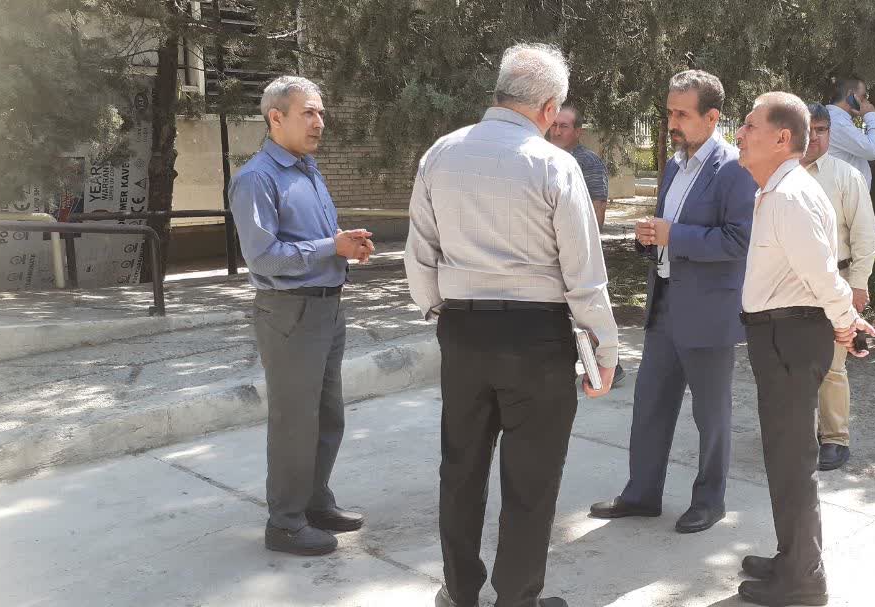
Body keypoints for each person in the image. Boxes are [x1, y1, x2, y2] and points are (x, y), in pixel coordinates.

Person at [405, 43, 617, 607]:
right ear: (549, 108)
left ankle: (460, 592)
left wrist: (440, 314)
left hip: (464, 332)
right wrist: (604, 351)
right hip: (536, 339)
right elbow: (584, 274)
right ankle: (517, 597)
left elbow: (419, 255)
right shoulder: (555, 165)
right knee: (531, 479)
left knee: (461, 469)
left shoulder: (440, 154)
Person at [587, 70, 757, 535]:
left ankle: (709, 501)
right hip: (664, 307)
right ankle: (642, 495)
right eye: (669, 113)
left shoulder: (734, 169)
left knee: (710, 416)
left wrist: (673, 235)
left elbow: (739, 241)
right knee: (649, 407)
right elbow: (668, 233)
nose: (672, 123)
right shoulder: (674, 166)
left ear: (712, 117)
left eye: (682, 114)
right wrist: (649, 238)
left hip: (709, 314)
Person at [733, 91, 875, 606]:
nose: (740, 134)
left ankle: (803, 581)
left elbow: (821, 273)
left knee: (792, 462)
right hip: (782, 334)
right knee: (783, 458)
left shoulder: (790, 195)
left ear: (781, 138)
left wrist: (847, 322)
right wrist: (843, 319)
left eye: (749, 126)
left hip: (789, 337)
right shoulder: (780, 189)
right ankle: (792, 558)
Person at [228, 75, 375, 557]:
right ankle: (286, 523)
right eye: (308, 112)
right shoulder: (257, 178)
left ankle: (314, 502)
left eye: (321, 113)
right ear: (276, 117)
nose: (319, 122)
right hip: (290, 313)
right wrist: (330, 247)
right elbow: (264, 257)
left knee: (328, 416)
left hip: (327, 308)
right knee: (295, 421)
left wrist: (346, 244)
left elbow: (318, 238)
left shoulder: (308, 170)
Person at [803, 103, 875, 471]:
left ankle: (835, 438)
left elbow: (865, 235)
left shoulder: (846, 176)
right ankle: (802, 432)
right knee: (797, 364)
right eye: (809, 130)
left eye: (822, 130)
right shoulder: (779, 176)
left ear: (829, 133)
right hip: (790, 286)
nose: (815, 138)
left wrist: (859, 285)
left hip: (837, 283)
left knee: (832, 365)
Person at [547, 103, 626, 388]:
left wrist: (588, 245)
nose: (556, 131)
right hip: (552, 253)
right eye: (554, 125)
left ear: (578, 132)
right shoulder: (544, 158)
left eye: (564, 126)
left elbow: (598, 206)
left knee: (588, 312)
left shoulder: (587, 162)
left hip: (578, 251)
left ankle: (610, 366)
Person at [824, 78, 875, 192]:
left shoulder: (835, 119)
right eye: (863, 96)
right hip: (844, 196)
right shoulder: (838, 122)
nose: (866, 101)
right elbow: (874, 150)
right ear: (851, 95)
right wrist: (871, 115)